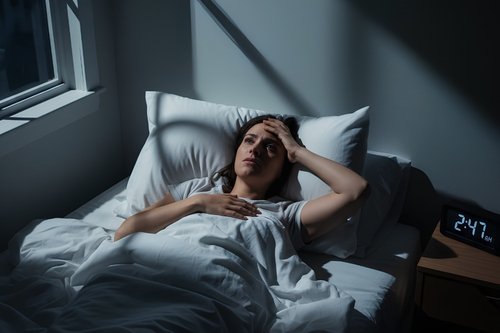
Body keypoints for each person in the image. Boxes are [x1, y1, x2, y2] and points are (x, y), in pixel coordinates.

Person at [114, 115, 368, 247]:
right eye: (250, 140)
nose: (255, 149)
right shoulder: (196, 189)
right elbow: (125, 232)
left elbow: (356, 190)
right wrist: (198, 203)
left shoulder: (285, 216)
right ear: (237, 150)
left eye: (270, 147)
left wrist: (297, 152)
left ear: (283, 167)